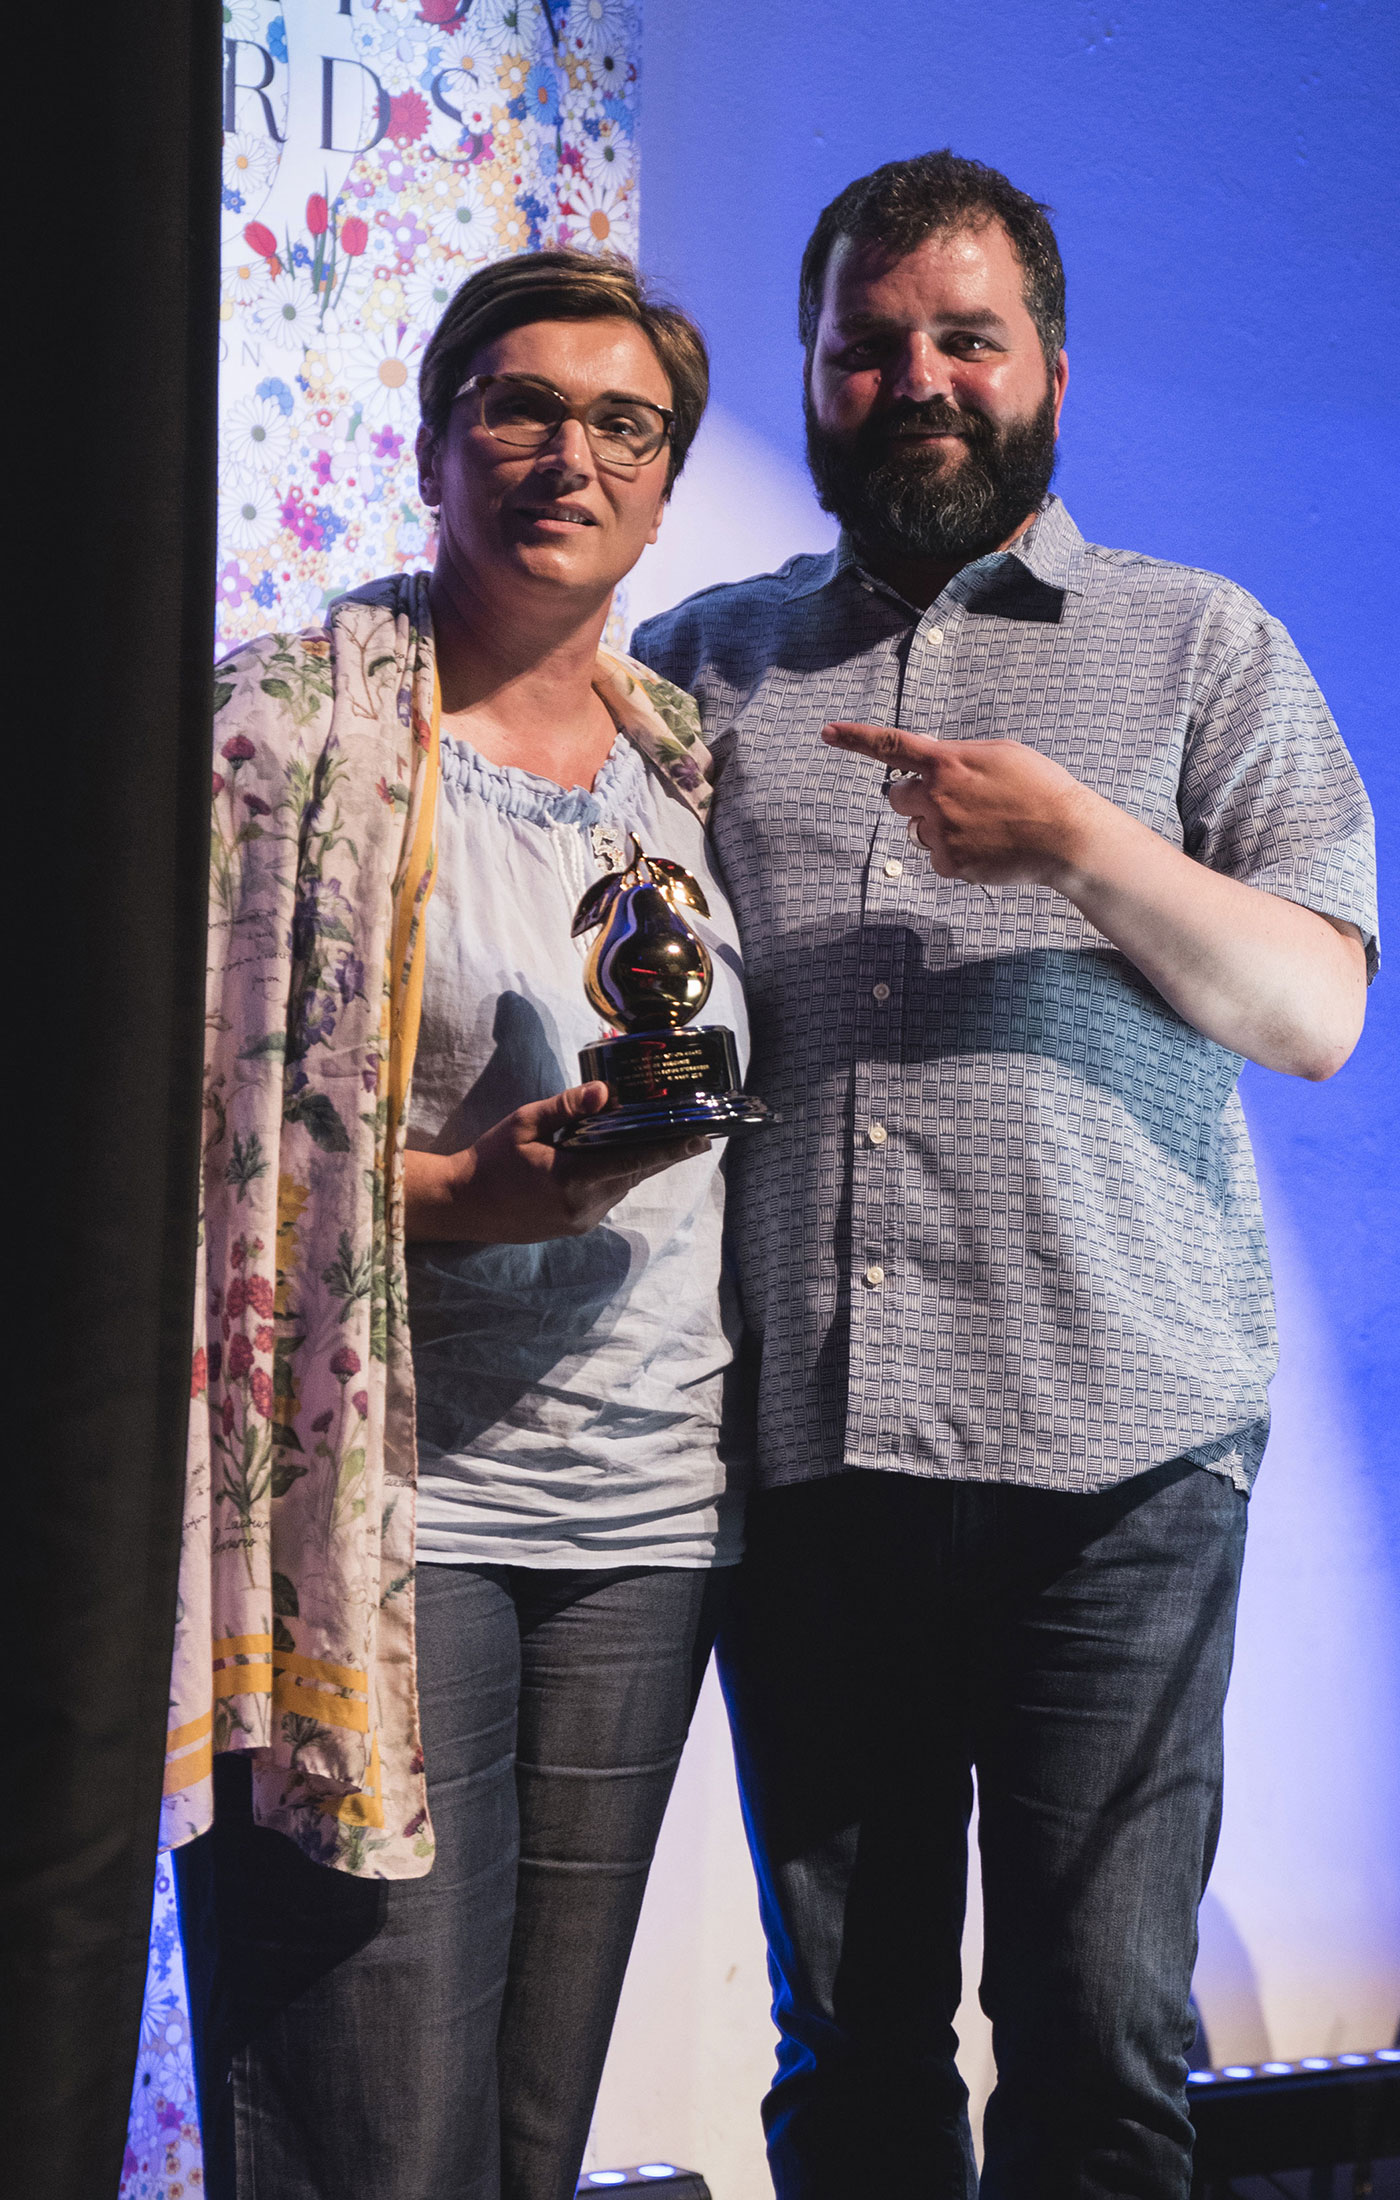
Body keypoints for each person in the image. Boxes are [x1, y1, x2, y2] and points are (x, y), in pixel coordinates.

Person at [633, 151, 1378, 2200]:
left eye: (965, 336)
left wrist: (1081, 842)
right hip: (807, 1467)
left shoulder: (1196, 647)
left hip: (1116, 1474)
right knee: (847, 2059)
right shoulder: (701, 669)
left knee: (1097, 2050)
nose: (920, 378)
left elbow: (1317, 1005)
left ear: (1049, 364)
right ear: (811, 377)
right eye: (867, 347)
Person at [171, 250, 749, 2200]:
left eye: (618, 422)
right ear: (432, 437)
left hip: (645, 1522)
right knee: (363, 2125)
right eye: (514, 403)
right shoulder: (282, 739)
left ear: (664, 482)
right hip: (384, 1521)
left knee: (528, 2122)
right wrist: (456, 1196)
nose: (561, 453)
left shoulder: (685, 764)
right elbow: (155, 1142)